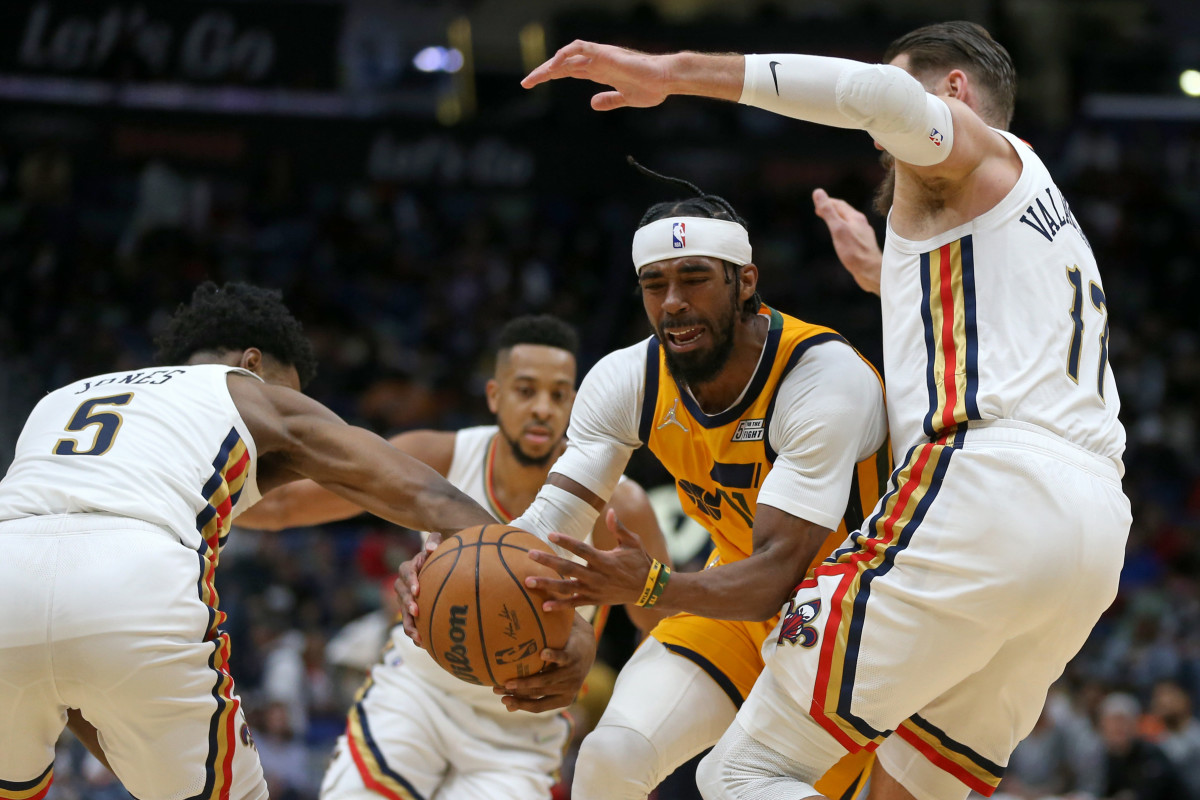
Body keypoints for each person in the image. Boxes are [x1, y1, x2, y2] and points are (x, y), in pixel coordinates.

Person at [520, 19, 1132, 800]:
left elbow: (873, 96)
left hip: (988, 494)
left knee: (743, 773)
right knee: (906, 791)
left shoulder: (966, 149)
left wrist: (671, 72)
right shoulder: (1040, 212)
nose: (881, 145)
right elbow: (1001, 339)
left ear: (954, 92)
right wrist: (892, 280)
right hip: (1089, 535)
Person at [399, 172, 891, 800]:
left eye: (694, 279)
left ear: (745, 281)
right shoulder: (627, 378)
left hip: (857, 615)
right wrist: (447, 564)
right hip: (734, 601)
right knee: (610, 757)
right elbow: (549, 526)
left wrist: (654, 584)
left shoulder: (822, 378)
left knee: (737, 786)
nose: (673, 302)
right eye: (655, 284)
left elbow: (782, 572)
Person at [0, 282, 594, 800]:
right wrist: (556, 602)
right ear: (254, 365)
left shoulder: (61, 398)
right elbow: (418, 491)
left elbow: (64, 657)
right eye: (296, 390)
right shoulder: (242, 389)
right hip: (135, 574)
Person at [236, 314, 672, 800]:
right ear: (494, 396)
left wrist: (620, 711)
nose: (543, 409)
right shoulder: (437, 456)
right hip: (415, 696)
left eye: (558, 394)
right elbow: (282, 505)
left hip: (519, 730)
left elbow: (667, 632)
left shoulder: (621, 504)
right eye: (526, 390)